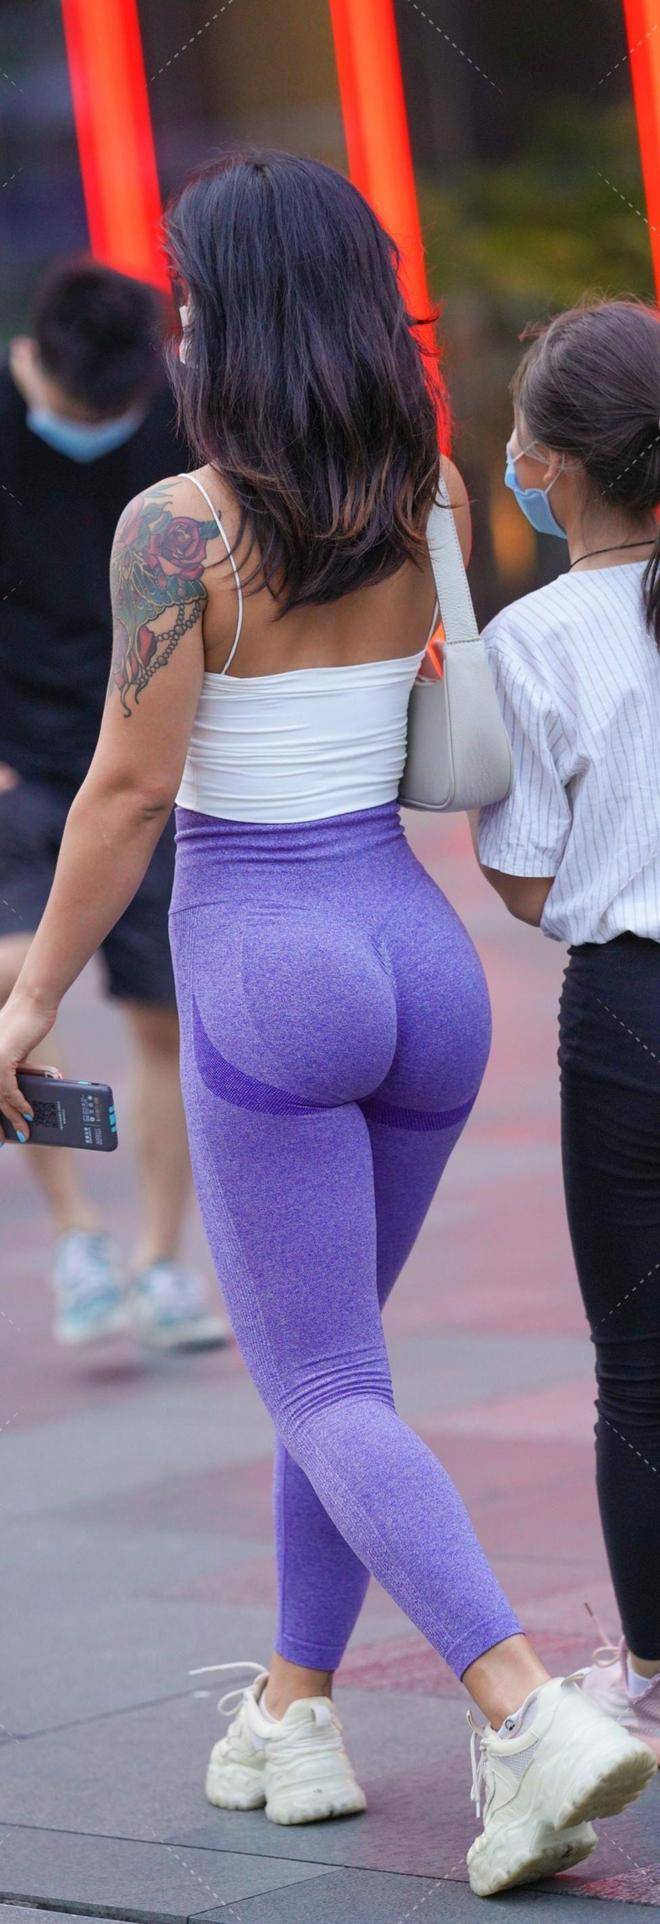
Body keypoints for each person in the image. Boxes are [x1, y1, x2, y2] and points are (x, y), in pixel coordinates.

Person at [0, 160, 654, 1899]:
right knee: (336, 1371)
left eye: (192, 298)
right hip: (419, 964)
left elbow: (126, 794)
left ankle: (522, 1709)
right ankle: (292, 1712)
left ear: (230, 318)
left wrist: (31, 989)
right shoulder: (422, 486)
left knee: (323, 1379)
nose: (179, 325)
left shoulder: (177, 528)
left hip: (268, 963)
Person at [475, 298, 660, 1761]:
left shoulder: (530, 637)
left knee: (643, 1364)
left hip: (632, 1018)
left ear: (559, 465)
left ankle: (652, 1670)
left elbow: (529, 880)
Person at [0, 257, 228, 1351]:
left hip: (141, 751)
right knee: (11, 987)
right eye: (76, 413)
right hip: (16, 762)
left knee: (164, 1018)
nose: (94, 432)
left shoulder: (176, 417)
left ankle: (162, 1261)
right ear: (34, 362)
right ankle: (74, 1232)